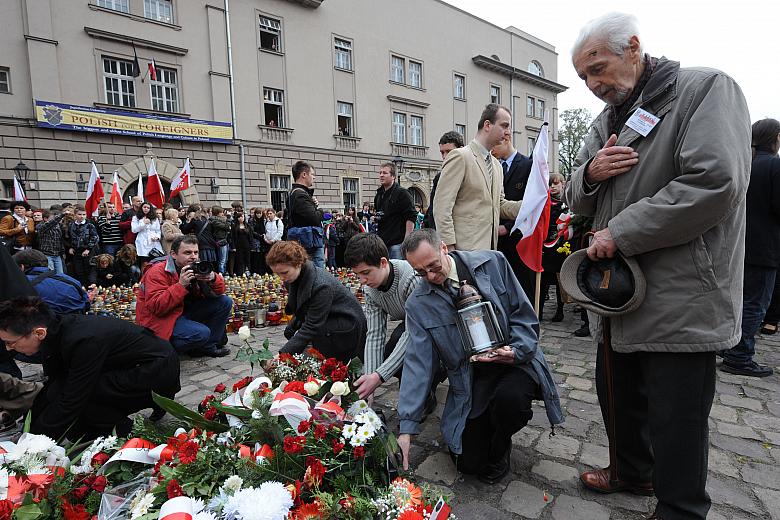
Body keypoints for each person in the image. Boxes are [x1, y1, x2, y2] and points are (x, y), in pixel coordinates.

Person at [564, 13, 751, 520]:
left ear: (633, 48)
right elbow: (575, 196)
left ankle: (679, 510)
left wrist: (620, 232)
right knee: (618, 396)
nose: (592, 84)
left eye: (597, 68)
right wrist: (589, 173)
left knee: (676, 417)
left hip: (680, 293)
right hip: (618, 293)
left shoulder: (704, 89)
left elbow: (715, 183)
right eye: (583, 76)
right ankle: (632, 471)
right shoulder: (605, 121)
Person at [396, 229, 562, 484]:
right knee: (468, 464)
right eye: (420, 272)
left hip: (515, 363)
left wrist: (516, 351)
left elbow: (522, 314)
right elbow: (418, 364)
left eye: (434, 266)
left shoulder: (492, 262)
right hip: (472, 378)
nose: (430, 276)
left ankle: (501, 442)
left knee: (510, 401)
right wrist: (407, 427)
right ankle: (484, 429)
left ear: (443, 248)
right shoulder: (418, 304)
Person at [0, 296, 180, 439]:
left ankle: (129, 433)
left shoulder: (82, 340)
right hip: (126, 366)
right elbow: (53, 385)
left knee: (84, 399)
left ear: (39, 333)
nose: (8, 348)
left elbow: (73, 398)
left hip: (154, 371)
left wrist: (36, 442)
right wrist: (29, 429)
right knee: (62, 397)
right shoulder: (55, 332)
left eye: (11, 342)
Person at [344, 233, 434, 409]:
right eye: (357, 275)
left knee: (400, 343)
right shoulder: (371, 290)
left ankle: (425, 392)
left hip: (434, 330)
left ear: (383, 262)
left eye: (366, 273)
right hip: (410, 325)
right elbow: (375, 335)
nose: (362, 281)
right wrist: (369, 382)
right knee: (390, 352)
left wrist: (379, 376)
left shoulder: (411, 278)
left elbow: (412, 333)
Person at [720, 118, 780, 377]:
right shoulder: (774, 165)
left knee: (735, 301)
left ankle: (727, 346)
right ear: (775, 138)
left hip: (736, 243)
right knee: (755, 304)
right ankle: (739, 356)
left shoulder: (743, 162)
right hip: (764, 247)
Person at [433, 105, 521, 250]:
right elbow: (442, 207)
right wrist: (450, 248)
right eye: (504, 126)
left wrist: (530, 205)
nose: (508, 132)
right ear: (487, 125)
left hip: (488, 251)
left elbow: (499, 205)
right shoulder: (460, 156)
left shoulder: (496, 165)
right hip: (463, 251)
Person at [266, 241, 366, 362]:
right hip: (329, 319)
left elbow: (311, 326)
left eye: (284, 273)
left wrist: (283, 354)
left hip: (347, 327)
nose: (281, 278)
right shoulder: (294, 277)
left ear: (298, 264)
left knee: (310, 358)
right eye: (277, 274)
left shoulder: (321, 286)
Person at [136, 234, 232, 358]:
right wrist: (181, 285)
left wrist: (213, 278)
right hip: (161, 318)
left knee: (225, 302)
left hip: (181, 311)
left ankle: (207, 347)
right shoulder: (158, 271)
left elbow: (219, 292)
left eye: (196, 252)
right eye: (187, 253)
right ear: (173, 254)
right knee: (201, 333)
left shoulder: (195, 267)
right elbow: (157, 307)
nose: (193, 257)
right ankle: (165, 348)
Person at [492, 136, 534, 298]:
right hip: (496, 241)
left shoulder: (528, 165)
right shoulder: (494, 166)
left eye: (494, 145)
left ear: (506, 139)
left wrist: (507, 227)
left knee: (522, 288)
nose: (491, 150)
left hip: (519, 238)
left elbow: (533, 203)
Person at [13, 249, 90, 315]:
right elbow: (86, 304)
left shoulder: (21, 284)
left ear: (21, 267)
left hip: (44, 325)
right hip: (76, 322)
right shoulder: (72, 281)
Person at [540, 173, 569, 322]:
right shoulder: (544, 202)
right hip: (545, 245)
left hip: (561, 246)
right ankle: (539, 310)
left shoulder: (567, 203)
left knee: (559, 280)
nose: (552, 186)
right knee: (543, 279)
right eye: (550, 184)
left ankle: (560, 310)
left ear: (563, 184)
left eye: (555, 183)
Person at [373, 163, 417, 260]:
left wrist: (406, 241)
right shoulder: (379, 195)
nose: (381, 175)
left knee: (397, 268)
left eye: (385, 173)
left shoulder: (402, 193)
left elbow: (411, 217)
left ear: (393, 176)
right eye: (380, 173)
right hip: (382, 243)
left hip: (397, 244)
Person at [423, 131, 465, 230]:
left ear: (461, 149)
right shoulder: (439, 177)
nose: (445, 156)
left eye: (449, 152)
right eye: (442, 152)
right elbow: (433, 209)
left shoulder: (471, 173)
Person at [286, 161, 325, 268]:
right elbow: (315, 218)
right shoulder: (300, 195)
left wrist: (312, 204)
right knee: (317, 273)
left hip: (303, 241)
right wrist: (321, 211)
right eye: (312, 174)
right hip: (309, 243)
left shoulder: (294, 193)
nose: (314, 177)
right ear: (304, 174)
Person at [66, 205, 99, 286]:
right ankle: (82, 286)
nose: (82, 216)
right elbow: (69, 237)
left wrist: (88, 249)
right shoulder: (71, 225)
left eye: (84, 214)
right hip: (76, 251)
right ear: (75, 215)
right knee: (79, 270)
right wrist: (70, 247)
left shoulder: (89, 224)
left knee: (88, 269)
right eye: (80, 214)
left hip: (87, 250)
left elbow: (95, 237)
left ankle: (89, 286)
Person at [180, 204, 218, 268]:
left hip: (201, 244)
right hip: (210, 244)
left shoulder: (195, 220)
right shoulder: (209, 221)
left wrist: (187, 221)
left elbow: (185, 230)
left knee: (202, 264)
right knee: (211, 264)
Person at [34, 209, 66, 274]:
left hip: (57, 255)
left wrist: (63, 252)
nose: (55, 220)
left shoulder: (57, 226)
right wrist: (62, 214)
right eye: (52, 218)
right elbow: (50, 223)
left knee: (60, 274)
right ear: (45, 219)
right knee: (50, 274)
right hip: (46, 255)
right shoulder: (41, 226)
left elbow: (60, 240)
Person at [131, 202, 162, 267]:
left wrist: (157, 237)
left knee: (156, 262)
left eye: (148, 208)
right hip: (142, 242)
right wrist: (143, 223)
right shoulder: (136, 217)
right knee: (145, 263)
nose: (146, 209)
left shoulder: (155, 218)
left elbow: (158, 230)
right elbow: (134, 230)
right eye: (144, 207)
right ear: (141, 208)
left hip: (153, 242)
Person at [210, 206, 231, 274]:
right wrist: (228, 219)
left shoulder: (221, 220)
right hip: (220, 240)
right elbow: (227, 227)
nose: (222, 214)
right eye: (221, 212)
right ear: (217, 213)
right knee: (222, 259)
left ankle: (224, 273)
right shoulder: (214, 221)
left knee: (225, 259)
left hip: (225, 240)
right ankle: (221, 273)